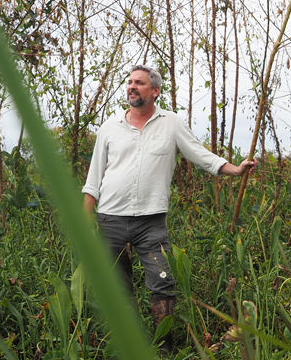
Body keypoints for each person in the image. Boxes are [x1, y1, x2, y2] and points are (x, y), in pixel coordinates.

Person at [82, 65, 256, 354]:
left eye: (139, 82)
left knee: (163, 283)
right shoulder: (110, 127)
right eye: (129, 82)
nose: (132, 86)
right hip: (110, 219)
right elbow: (93, 179)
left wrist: (235, 170)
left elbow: (200, 155)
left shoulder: (172, 123)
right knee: (118, 287)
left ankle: (165, 348)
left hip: (151, 223)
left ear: (155, 91)